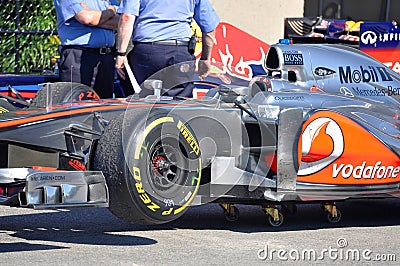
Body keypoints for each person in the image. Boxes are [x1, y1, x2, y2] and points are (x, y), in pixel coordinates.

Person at [115, 0, 220, 97]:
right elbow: (209, 28)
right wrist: (205, 59)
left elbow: (126, 18)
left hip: (146, 53)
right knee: (179, 105)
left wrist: (121, 53)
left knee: (143, 103)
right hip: (179, 53)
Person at [54, 0, 120, 98]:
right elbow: (86, 18)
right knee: (76, 104)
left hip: (106, 58)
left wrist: (94, 19)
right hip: (79, 56)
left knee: (105, 106)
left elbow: (120, 22)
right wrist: (110, 12)